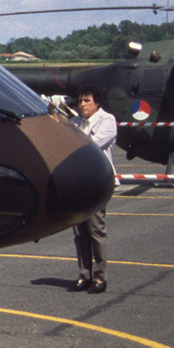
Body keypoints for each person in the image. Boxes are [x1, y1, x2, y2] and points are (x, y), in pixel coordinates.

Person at [70, 86, 116, 293]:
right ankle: (84, 274)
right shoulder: (75, 122)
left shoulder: (107, 121)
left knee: (96, 230)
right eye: (80, 101)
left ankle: (100, 276)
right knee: (80, 232)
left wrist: (73, 141)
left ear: (97, 103)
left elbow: (91, 145)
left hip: (97, 182)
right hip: (78, 182)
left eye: (87, 101)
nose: (82, 105)